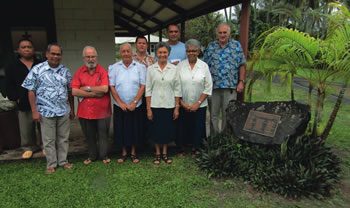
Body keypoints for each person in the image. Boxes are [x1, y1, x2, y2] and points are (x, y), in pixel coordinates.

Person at [22, 43, 74, 174]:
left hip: (63, 110)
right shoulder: (37, 69)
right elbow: (31, 91)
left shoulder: (65, 71)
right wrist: (34, 111)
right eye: (53, 53)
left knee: (63, 138)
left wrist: (72, 109)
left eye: (58, 54)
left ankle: (63, 161)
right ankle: (51, 164)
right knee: (49, 140)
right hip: (45, 111)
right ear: (47, 54)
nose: (55, 56)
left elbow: (70, 91)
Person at [203, 23, 246, 136]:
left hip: (230, 87)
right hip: (213, 87)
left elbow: (242, 64)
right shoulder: (211, 46)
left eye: (225, 32)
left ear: (229, 33)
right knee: (214, 114)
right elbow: (204, 66)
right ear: (217, 34)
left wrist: (241, 81)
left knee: (228, 114)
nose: (222, 35)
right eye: (220, 33)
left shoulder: (236, 46)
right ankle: (214, 139)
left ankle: (225, 139)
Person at [71, 46, 111, 165]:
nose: (91, 59)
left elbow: (104, 89)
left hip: (102, 110)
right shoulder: (79, 72)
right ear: (84, 58)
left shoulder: (103, 71)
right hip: (85, 111)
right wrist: (95, 93)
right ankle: (92, 156)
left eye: (93, 56)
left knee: (103, 135)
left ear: (96, 57)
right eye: (88, 57)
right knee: (89, 136)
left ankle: (104, 156)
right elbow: (74, 91)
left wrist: (86, 88)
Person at [109, 43, 146, 164]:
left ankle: (134, 152)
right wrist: (120, 103)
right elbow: (112, 86)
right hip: (120, 105)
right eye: (123, 51)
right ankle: (124, 152)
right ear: (120, 53)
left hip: (136, 104)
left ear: (132, 52)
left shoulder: (140, 67)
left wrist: (135, 102)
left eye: (128, 51)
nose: (125, 53)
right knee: (121, 129)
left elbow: (142, 86)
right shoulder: (114, 67)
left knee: (135, 128)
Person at [145, 42, 182, 165]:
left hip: (169, 105)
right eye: (160, 52)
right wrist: (148, 108)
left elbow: (177, 89)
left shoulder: (174, 69)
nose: (162, 54)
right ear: (156, 53)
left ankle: (165, 153)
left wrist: (177, 107)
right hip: (155, 105)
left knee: (166, 130)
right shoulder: (151, 69)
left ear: (168, 53)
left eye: (165, 52)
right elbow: (148, 90)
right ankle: (157, 153)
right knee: (156, 130)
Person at [5, 39, 41, 159]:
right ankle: (29, 148)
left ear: (33, 49)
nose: (26, 49)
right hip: (23, 102)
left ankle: (44, 146)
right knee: (26, 127)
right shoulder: (12, 66)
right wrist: (16, 98)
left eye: (29, 47)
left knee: (44, 126)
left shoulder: (40, 64)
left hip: (42, 102)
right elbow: (8, 85)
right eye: (23, 47)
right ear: (18, 50)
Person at [177, 39, 212, 155]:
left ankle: (196, 148)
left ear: (198, 51)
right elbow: (176, 86)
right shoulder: (180, 66)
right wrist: (182, 103)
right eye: (189, 50)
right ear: (186, 52)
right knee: (183, 127)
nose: (191, 53)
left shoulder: (204, 66)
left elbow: (208, 86)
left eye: (194, 50)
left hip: (200, 104)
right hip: (184, 104)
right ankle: (182, 147)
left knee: (198, 127)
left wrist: (198, 103)